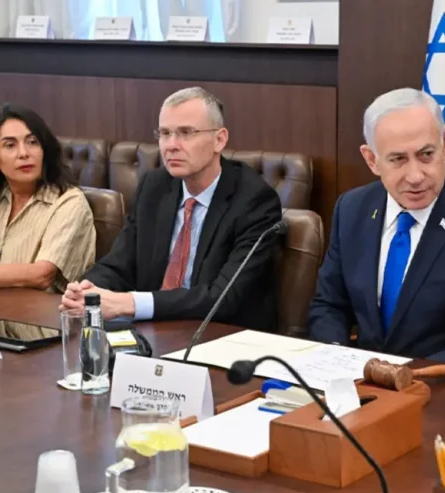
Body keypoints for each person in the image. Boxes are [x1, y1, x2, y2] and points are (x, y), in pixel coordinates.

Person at [307, 88, 445, 369]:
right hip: (360, 387)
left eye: (426, 154)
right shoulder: (353, 209)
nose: (415, 176)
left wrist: (405, 375)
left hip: (444, 390)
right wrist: (336, 361)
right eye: (398, 159)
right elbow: (329, 305)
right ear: (372, 159)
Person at [60, 87, 281, 327]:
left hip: (219, 336)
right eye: (165, 133)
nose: (171, 145)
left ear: (219, 139)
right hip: (154, 331)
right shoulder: (155, 186)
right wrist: (87, 290)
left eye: (186, 133)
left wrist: (130, 303)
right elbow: (120, 263)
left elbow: (223, 298)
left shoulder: (254, 200)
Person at [0, 103, 95, 293]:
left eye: (33, 142)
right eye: (10, 145)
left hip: (34, 320)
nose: (24, 153)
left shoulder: (69, 203)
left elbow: (42, 275)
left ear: (45, 150)